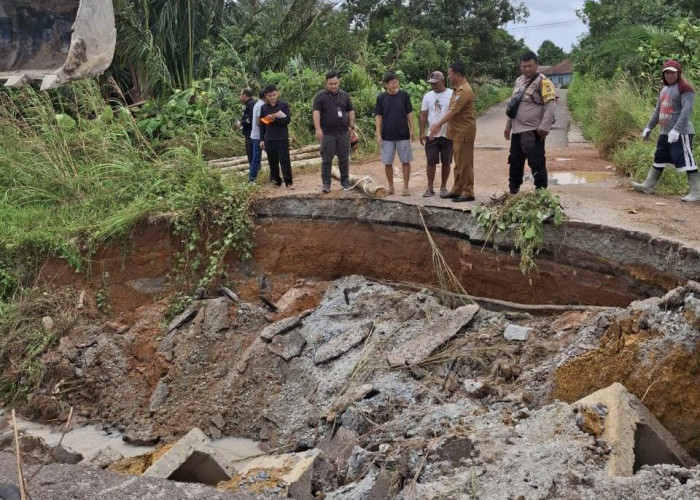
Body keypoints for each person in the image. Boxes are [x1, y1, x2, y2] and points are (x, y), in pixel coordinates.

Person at [632, 60, 699, 202]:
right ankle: (648, 186)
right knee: (659, 158)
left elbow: (686, 111)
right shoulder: (664, 89)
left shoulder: (685, 88)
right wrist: (649, 127)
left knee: (687, 161)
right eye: (667, 72)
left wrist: (677, 129)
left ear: (678, 73)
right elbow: (658, 110)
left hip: (681, 133)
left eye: (672, 72)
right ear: (663, 74)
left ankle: (697, 192)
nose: (669, 75)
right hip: (665, 132)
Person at [503, 51, 556, 195]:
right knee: (514, 162)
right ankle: (513, 191)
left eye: (530, 66)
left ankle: (541, 193)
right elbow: (513, 106)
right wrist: (508, 127)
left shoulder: (543, 82)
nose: (527, 69)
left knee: (536, 163)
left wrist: (544, 127)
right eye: (524, 66)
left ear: (537, 65)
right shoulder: (518, 81)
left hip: (534, 131)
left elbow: (550, 105)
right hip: (517, 131)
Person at [428, 61, 476, 202]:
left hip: (464, 132)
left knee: (465, 163)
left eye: (449, 74)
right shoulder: (458, 89)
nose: (448, 77)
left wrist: (438, 124)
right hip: (456, 133)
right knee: (458, 163)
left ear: (457, 74)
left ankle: (468, 191)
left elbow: (453, 111)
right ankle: (457, 189)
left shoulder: (465, 91)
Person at [313, 71, 356, 192]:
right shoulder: (320, 96)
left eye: (335, 83)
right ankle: (326, 184)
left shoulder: (344, 95)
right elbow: (316, 112)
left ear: (339, 82)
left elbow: (351, 110)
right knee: (327, 159)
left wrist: (351, 126)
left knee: (344, 158)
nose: (333, 86)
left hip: (343, 132)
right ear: (326, 83)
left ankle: (345, 181)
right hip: (327, 133)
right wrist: (318, 129)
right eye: (331, 84)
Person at [375, 71, 415, 196]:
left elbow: (409, 113)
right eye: (392, 82)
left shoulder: (404, 95)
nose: (395, 84)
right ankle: (391, 187)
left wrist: (412, 129)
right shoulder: (381, 98)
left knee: (406, 161)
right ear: (386, 84)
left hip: (403, 134)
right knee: (387, 162)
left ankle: (406, 187)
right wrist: (378, 134)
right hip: (387, 135)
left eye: (396, 81)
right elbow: (378, 117)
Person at [419, 70, 453, 197]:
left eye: (436, 83)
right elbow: (423, 115)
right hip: (431, 134)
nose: (433, 85)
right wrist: (422, 132)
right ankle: (430, 187)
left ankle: (443, 187)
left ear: (443, 81)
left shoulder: (452, 94)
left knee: (446, 161)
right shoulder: (427, 96)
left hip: (448, 133)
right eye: (431, 83)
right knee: (431, 161)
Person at [259, 84, 293, 188]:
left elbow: (287, 120)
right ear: (266, 96)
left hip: (281, 137)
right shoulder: (264, 108)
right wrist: (262, 139)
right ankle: (276, 181)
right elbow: (262, 124)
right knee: (272, 161)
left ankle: (288, 182)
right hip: (270, 138)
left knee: (285, 160)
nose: (273, 97)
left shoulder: (283, 105)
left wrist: (275, 119)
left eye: (274, 95)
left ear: (277, 93)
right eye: (270, 96)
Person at [248, 90, 266, 182]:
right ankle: (251, 179)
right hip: (258, 136)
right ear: (265, 96)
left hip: (255, 135)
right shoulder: (261, 105)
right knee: (256, 159)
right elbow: (259, 122)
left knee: (256, 158)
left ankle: (252, 178)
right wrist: (269, 121)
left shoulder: (258, 104)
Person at [238, 88, 255, 169]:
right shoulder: (248, 104)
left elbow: (251, 119)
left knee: (251, 151)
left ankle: (254, 169)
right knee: (250, 151)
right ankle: (254, 168)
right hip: (249, 131)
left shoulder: (251, 104)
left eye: (241, 94)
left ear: (245, 95)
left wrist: (241, 123)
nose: (240, 96)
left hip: (250, 132)